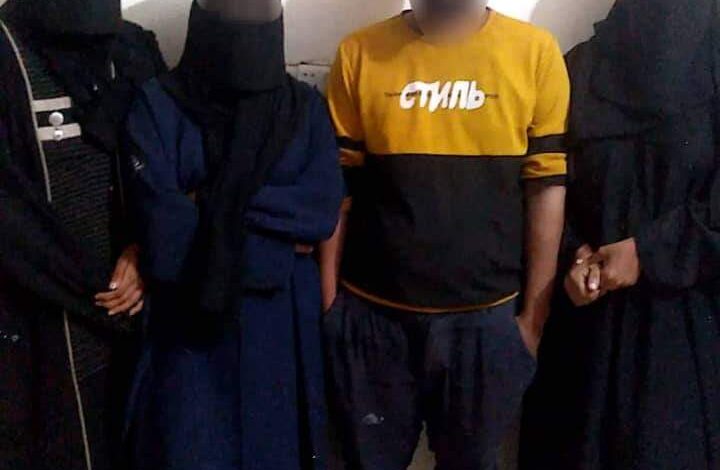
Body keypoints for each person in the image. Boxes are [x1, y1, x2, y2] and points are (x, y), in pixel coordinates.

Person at [321, 0, 569, 468]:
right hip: (372, 322)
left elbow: (546, 187)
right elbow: (338, 187)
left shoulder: (535, 53)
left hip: (486, 328)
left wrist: (533, 322)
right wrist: (330, 305)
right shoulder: (359, 53)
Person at [124, 1, 344, 469]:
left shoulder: (302, 108)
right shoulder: (159, 104)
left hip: (280, 337)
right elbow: (164, 239)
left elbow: (319, 212)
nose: (246, 25)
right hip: (190, 332)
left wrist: (206, 202)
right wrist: (279, 252)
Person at [520, 0, 720, 468]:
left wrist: (648, 253)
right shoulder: (579, 70)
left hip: (686, 340)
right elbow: (540, 190)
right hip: (583, 333)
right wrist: (572, 254)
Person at [0, 0, 165, 468]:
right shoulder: (6, 51)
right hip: (41, 312)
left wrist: (145, 249)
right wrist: (91, 286)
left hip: (136, 298)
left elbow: (165, 166)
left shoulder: (131, 46)